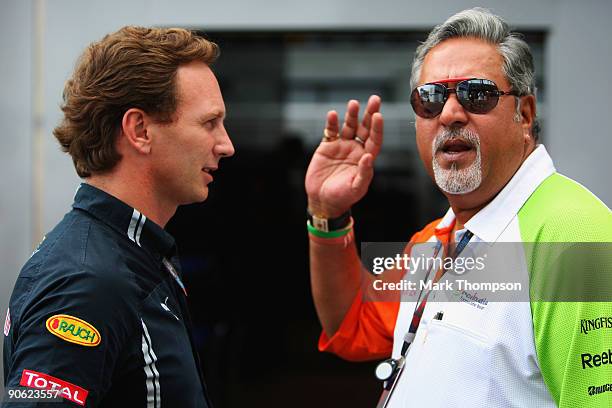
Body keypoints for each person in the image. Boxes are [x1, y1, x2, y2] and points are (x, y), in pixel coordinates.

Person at [305, 8, 612, 408]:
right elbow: (352, 322)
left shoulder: (574, 239)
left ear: (525, 115)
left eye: (477, 93)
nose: (449, 113)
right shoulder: (438, 239)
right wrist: (328, 213)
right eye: (431, 98)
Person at [3, 26, 234, 407]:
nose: (226, 145)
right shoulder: (87, 280)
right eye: (209, 123)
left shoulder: (132, 251)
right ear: (139, 129)